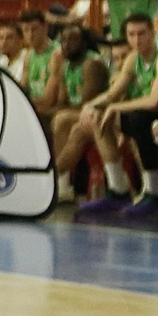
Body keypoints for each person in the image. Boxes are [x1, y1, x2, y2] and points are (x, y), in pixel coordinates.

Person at [72, 13, 158, 217]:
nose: (137, 39)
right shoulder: (133, 59)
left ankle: (154, 192)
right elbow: (112, 93)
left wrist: (116, 107)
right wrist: (91, 105)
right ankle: (118, 189)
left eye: (142, 33)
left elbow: (154, 101)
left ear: (153, 33)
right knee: (99, 116)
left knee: (137, 119)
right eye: (131, 34)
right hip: (151, 118)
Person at [43, 25, 108, 201]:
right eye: (63, 40)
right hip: (77, 114)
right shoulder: (66, 66)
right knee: (47, 117)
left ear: (84, 43)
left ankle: (57, 180)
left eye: (73, 40)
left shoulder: (91, 64)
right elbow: (63, 102)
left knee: (62, 120)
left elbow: (88, 104)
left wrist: (59, 113)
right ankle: (60, 182)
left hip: (100, 115)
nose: (67, 44)